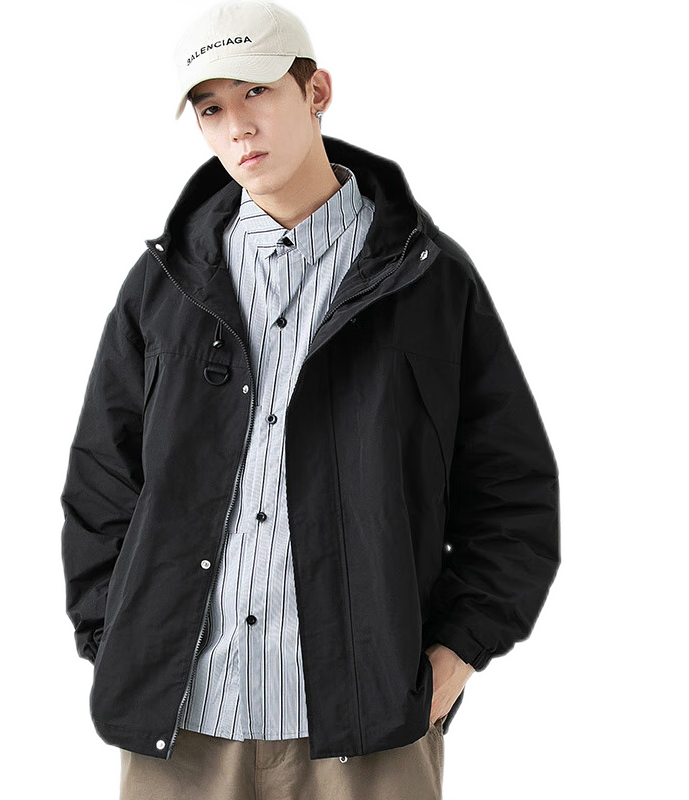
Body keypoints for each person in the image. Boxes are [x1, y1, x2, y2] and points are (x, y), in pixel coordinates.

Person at [59, 2, 562, 798]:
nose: (237, 126)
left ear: (317, 91)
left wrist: (454, 657)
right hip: (182, 729)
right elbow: (100, 483)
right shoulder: (162, 287)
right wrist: (117, 642)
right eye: (210, 108)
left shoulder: (429, 280)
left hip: (370, 729)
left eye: (256, 92)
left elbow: (514, 491)